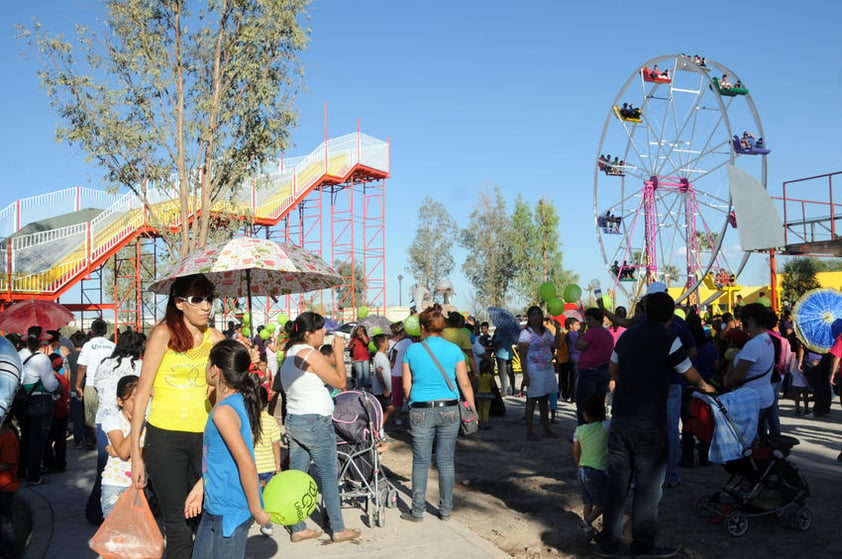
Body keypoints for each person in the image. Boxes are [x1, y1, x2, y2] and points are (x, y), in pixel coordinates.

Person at [595, 292, 714, 558]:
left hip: (622, 417)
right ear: (671, 317)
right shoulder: (669, 339)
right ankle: (643, 545)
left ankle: (608, 542)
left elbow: (613, 369)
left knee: (617, 483)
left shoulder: (627, 337)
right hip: (650, 422)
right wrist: (705, 386)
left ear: (645, 313)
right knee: (649, 487)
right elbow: (688, 372)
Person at [131, 274, 224, 559]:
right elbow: (142, 392)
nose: (206, 306)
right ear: (180, 303)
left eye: (210, 298)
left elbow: (221, 395)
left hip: (206, 438)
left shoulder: (217, 338)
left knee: (209, 518)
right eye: (198, 299)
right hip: (165, 439)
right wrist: (136, 453)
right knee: (178, 524)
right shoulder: (163, 334)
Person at [280, 312, 361, 543]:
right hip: (315, 421)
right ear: (308, 333)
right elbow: (341, 382)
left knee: (297, 476)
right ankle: (338, 528)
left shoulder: (289, 353)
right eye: (320, 329)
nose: (324, 333)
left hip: (295, 420)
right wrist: (338, 352)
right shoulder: (310, 354)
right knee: (328, 474)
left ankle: (298, 527)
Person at [185, 339, 270, 559]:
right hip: (215, 506)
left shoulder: (224, 412)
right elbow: (220, 459)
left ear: (215, 369)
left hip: (231, 510)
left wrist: (256, 509)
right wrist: (199, 489)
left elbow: (246, 464)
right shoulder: (234, 403)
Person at [402, 304, 476, 521]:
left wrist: (412, 403)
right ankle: (445, 510)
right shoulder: (454, 350)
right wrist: (470, 409)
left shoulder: (412, 350)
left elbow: (407, 387)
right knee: (445, 461)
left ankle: (417, 511)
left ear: (422, 328)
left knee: (420, 461)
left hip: (420, 410)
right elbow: (465, 383)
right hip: (449, 409)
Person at [89, 330, 144, 522]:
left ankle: (97, 510)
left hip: (105, 419)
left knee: (105, 467)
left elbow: (96, 387)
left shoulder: (104, 364)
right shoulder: (139, 366)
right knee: (127, 460)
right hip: (129, 420)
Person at [723, 303, 776, 433]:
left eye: (742, 318)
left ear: (751, 320)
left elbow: (736, 377)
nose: (740, 322)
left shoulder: (754, 344)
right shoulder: (767, 339)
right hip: (764, 397)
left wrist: (727, 377)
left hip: (750, 400)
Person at [17, 326, 59, 486]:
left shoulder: (19, 355)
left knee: (25, 438)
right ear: (42, 341)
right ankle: (34, 476)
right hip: (40, 402)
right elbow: (50, 385)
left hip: (22, 401)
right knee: (37, 440)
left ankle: (20, 472)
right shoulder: (42, 359)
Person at [101, 375, 142, 518]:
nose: (138, 404)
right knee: (115, 536)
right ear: (120, 401)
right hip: (116, 486)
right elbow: (124, 451)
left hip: (139, 487)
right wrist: (138, 422)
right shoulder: (113, 420)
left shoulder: (148, 421)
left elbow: (152, 452)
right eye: (132, 400)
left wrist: (119, 451)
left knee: (137, 536)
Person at [518, 306, 560, 441]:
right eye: (534, 314)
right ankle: (530, 431)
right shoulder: (526, 334)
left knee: (544, 399)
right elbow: (522, 356)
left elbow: (556, 345)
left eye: (539, 314)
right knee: (531, 400)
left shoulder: (546, 331)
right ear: (529, 317)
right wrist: (525, 374)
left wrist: (558, 330)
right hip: (533, 370)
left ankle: (546, 429)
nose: (537, 317)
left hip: (547, 369)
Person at [573, 392, 609, 538]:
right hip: (597, 471)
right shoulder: (606, 426)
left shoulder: (579, 430)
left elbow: (575, 451)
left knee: (588, 503)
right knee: (603, 503)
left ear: (585, 414)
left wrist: (578, 464)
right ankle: (587, 523)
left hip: (582, 470)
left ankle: (587, 532)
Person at [575, 308, 614, 425]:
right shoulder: (608, 334)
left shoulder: (592, 332)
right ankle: (599, 431)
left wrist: (580, 333)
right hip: (604, 370)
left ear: (597, 319)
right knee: (598, 404)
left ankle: (583, 432)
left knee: (584, 403)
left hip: (590, 371)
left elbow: (579, 345)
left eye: (590, 319)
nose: (588, 323)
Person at [44, 353, 69, 474]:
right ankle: (61, 464)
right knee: (60, 440)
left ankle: (49, 464)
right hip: (62, 411)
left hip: (51, 412)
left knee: (47, 440)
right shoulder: (63, 379)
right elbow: (67, 394)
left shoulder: (46, 379)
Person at [0, 415, 19, 556]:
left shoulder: (6, 436)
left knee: (4, 521)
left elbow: (8, 462)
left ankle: (10, 550)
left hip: (5, 487)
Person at [389, 322, 412, 427]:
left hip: (396, 374)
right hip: (409, 373)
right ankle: (411, 417)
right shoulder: (411, 343)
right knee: (410, 397)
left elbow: (392, 363)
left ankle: (398, 418)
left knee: (397, 399)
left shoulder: (396, 345)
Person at [371, 333, 395, 427]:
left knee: (383, 410)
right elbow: (379, 371)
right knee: (390, 409)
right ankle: (378, 428)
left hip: (383, 389)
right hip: (381, 390)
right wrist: (384, 388)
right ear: (382, 344)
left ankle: (380, 428)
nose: (388, 343)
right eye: (386, 341)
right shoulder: (380, 356)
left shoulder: (381, 356)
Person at [474, 358, 495, 429]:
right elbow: (492, 385)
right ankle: (486, 422)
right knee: (486, 408)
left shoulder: (478, 376)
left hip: (479, 393)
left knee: (480, 408)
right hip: (488, 393)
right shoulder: (490, 376)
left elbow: (476, 384)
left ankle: (478, 421)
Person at [348, 325, 371, 391]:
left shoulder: (366, 338)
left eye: (362, 330)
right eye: (359, 330)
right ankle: (359, 388)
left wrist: (362, 335)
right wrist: (353, 344)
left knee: (366, 375)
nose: (360, 331)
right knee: (359, 375)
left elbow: (366, 342)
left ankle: (366, 389)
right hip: (357, 359)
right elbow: (350, 347)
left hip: (365, 359)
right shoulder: (354, 339)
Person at [565, 317, 582, 402]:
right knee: (576, 378)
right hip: (576, 357)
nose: (578, 326)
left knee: (573, 377)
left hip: (572, 357)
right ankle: (574, 396)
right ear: (571, 326)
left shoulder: (570, 334)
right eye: (576, 324)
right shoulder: (573, 334)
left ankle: (571, 395)